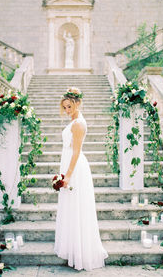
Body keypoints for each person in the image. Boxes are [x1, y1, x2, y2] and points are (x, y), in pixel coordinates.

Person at [54, 87, 108, 271]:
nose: (67, 110)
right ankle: (72, 247)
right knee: (71, 207)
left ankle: (80, 252)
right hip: (69, 163)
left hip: (75, 167)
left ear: (77, 103)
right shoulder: (74, 120)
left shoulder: (78, 124)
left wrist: (67, 175)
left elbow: (76, 151)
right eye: (65, 107)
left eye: (70, 106)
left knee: (78, 207)